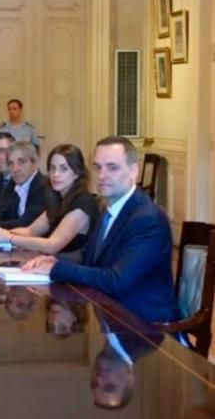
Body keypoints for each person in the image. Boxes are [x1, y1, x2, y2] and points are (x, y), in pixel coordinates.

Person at [22, 136, 179, 323]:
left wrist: (57, 269)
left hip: (144, 328)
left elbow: (116, 281)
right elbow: (88, 253)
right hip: (110, 314)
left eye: (112, 167)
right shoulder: (110, 209)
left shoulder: (147, 219)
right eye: (98, 167)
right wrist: (52, 259)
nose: (102, 175)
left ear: (133, 171)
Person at [0, 144, 99, 254]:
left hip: (71, 267)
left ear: (77, 173)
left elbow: (52, 245)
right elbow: (30, 231)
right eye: (52, 168)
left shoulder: (84, 202)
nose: (56, 174)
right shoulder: (58, 200)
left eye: (63, 169)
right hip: (49, 264)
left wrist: (10, 238)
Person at [0, 141, 47, 234]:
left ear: (35, 163)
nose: (15, 169)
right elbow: (4, 212)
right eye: (11, 163)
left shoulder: (43, 187)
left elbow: (25, 223)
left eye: (22, 162)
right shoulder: (14, 184)